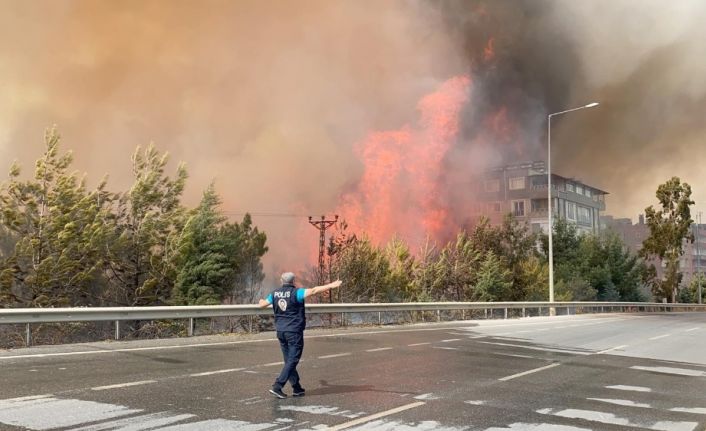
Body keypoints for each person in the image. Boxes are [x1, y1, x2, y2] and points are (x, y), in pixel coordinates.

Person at [258, 272, 342, 399]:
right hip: (294, 331)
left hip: (281, 331)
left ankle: (297, 388)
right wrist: (331, 285)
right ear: (293, 281)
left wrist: (261, 300)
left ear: (281, 281)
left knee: (289, 360)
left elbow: (262, 305)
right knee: (293, 360)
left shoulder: (275, 293)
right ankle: (277, 386)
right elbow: (314, 290)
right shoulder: (296, 293)